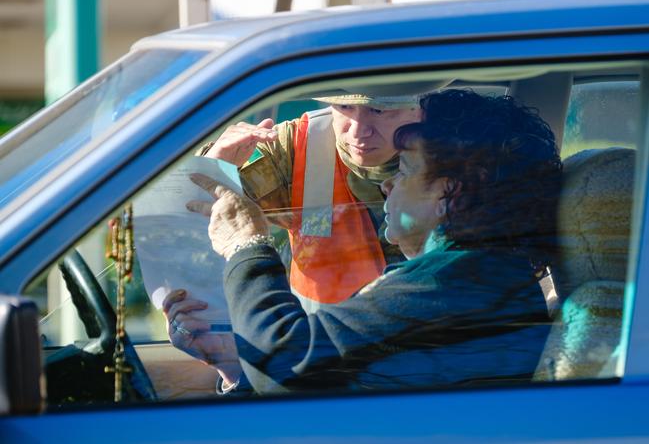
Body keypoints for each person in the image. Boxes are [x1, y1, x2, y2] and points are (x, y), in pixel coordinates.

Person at [166, 89, 561, 393]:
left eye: (405, 170)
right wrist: (234, 366)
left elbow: (286, 367)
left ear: (449, 193)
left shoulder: (449, 283)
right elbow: (317, 377)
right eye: (344, 109)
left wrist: (246, 245)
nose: (388, 183)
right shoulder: (479, 277)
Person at [197, 89, 431, 312]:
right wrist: (211, 167)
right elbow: (187, 225)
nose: (358, 132)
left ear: (420, 108)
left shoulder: (456, 149)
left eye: (378, 111)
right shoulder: (295, 145)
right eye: (344, 106)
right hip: (323, 346)